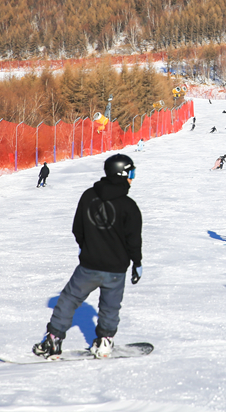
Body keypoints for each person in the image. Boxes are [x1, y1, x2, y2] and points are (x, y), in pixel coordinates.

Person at [32, 154, 142, 359]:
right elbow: (133, 239)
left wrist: (87, 248)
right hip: (116, 269)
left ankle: (54, 339)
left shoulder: (88, 196)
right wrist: (137, 262)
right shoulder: (129, 206)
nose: (133, 178)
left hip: (89, 266)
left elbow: (77, 229)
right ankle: (105, 342)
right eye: (131, 173)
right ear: (122, 173)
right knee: (110, 307)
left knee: (69, 299)